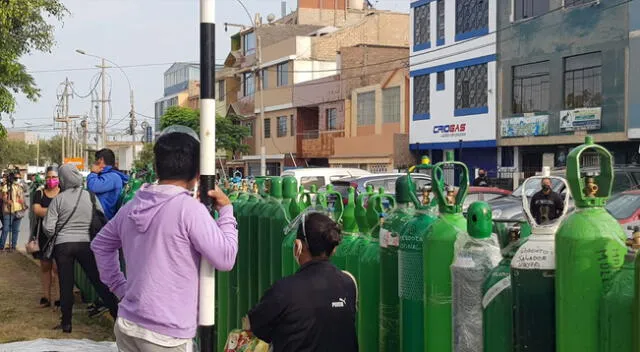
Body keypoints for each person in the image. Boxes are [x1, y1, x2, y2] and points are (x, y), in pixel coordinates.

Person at [91, 127, 238, 352]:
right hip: (166, 333)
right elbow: (226, 258)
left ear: (156, 167)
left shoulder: (132, 206)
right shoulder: (188, 209)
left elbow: (101, 245)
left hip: (129, 324)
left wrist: (121, 288)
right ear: (198, 172)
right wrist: (226, 211)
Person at [245, 211, 358, 352]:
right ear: (333, 249)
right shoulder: (349, 284)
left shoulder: (284, 290)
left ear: (298, 246)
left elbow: (251, 326)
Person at [43, 164, 119, 333]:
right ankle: (117, 313)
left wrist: (59, 232)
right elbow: (101, 218)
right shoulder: (90, 197)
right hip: (86, 244)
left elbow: (48, 227)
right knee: (97, 280)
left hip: (63, 246)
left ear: (62, 179)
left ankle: (67, 323)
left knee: (66, 283)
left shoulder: (58, 200)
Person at [31, 166, 61, 308]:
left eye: (54, 177)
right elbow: (36, 210)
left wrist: (47, 211)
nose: (51, 180)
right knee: (45, 266)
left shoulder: (63, 193)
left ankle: (58, 297)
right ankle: (45, 296)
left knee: (57, 267)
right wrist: (56, 212)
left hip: (59, 235)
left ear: (59, 178)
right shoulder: (40, 193)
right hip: (43, 235)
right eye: (48, 177)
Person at [87, 148, 129, 220]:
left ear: (101, 160)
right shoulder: (108, 175)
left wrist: (93, 173)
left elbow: (93, 187)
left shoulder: (112, 177)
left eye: (96, 160)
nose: (94, 163)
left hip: (104, 220)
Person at [1, 171, 26, 251]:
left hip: (19, 210)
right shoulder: (7, 186)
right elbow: (3, 196)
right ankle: (1, 247)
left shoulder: (19, 186)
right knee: (5, 229)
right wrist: (7, 201)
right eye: (16, 178)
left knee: (16, 230)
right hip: (9, 210)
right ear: (12, 178)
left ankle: (13, 246)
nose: (17, 179)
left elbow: (23, 195)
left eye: (19, 178)